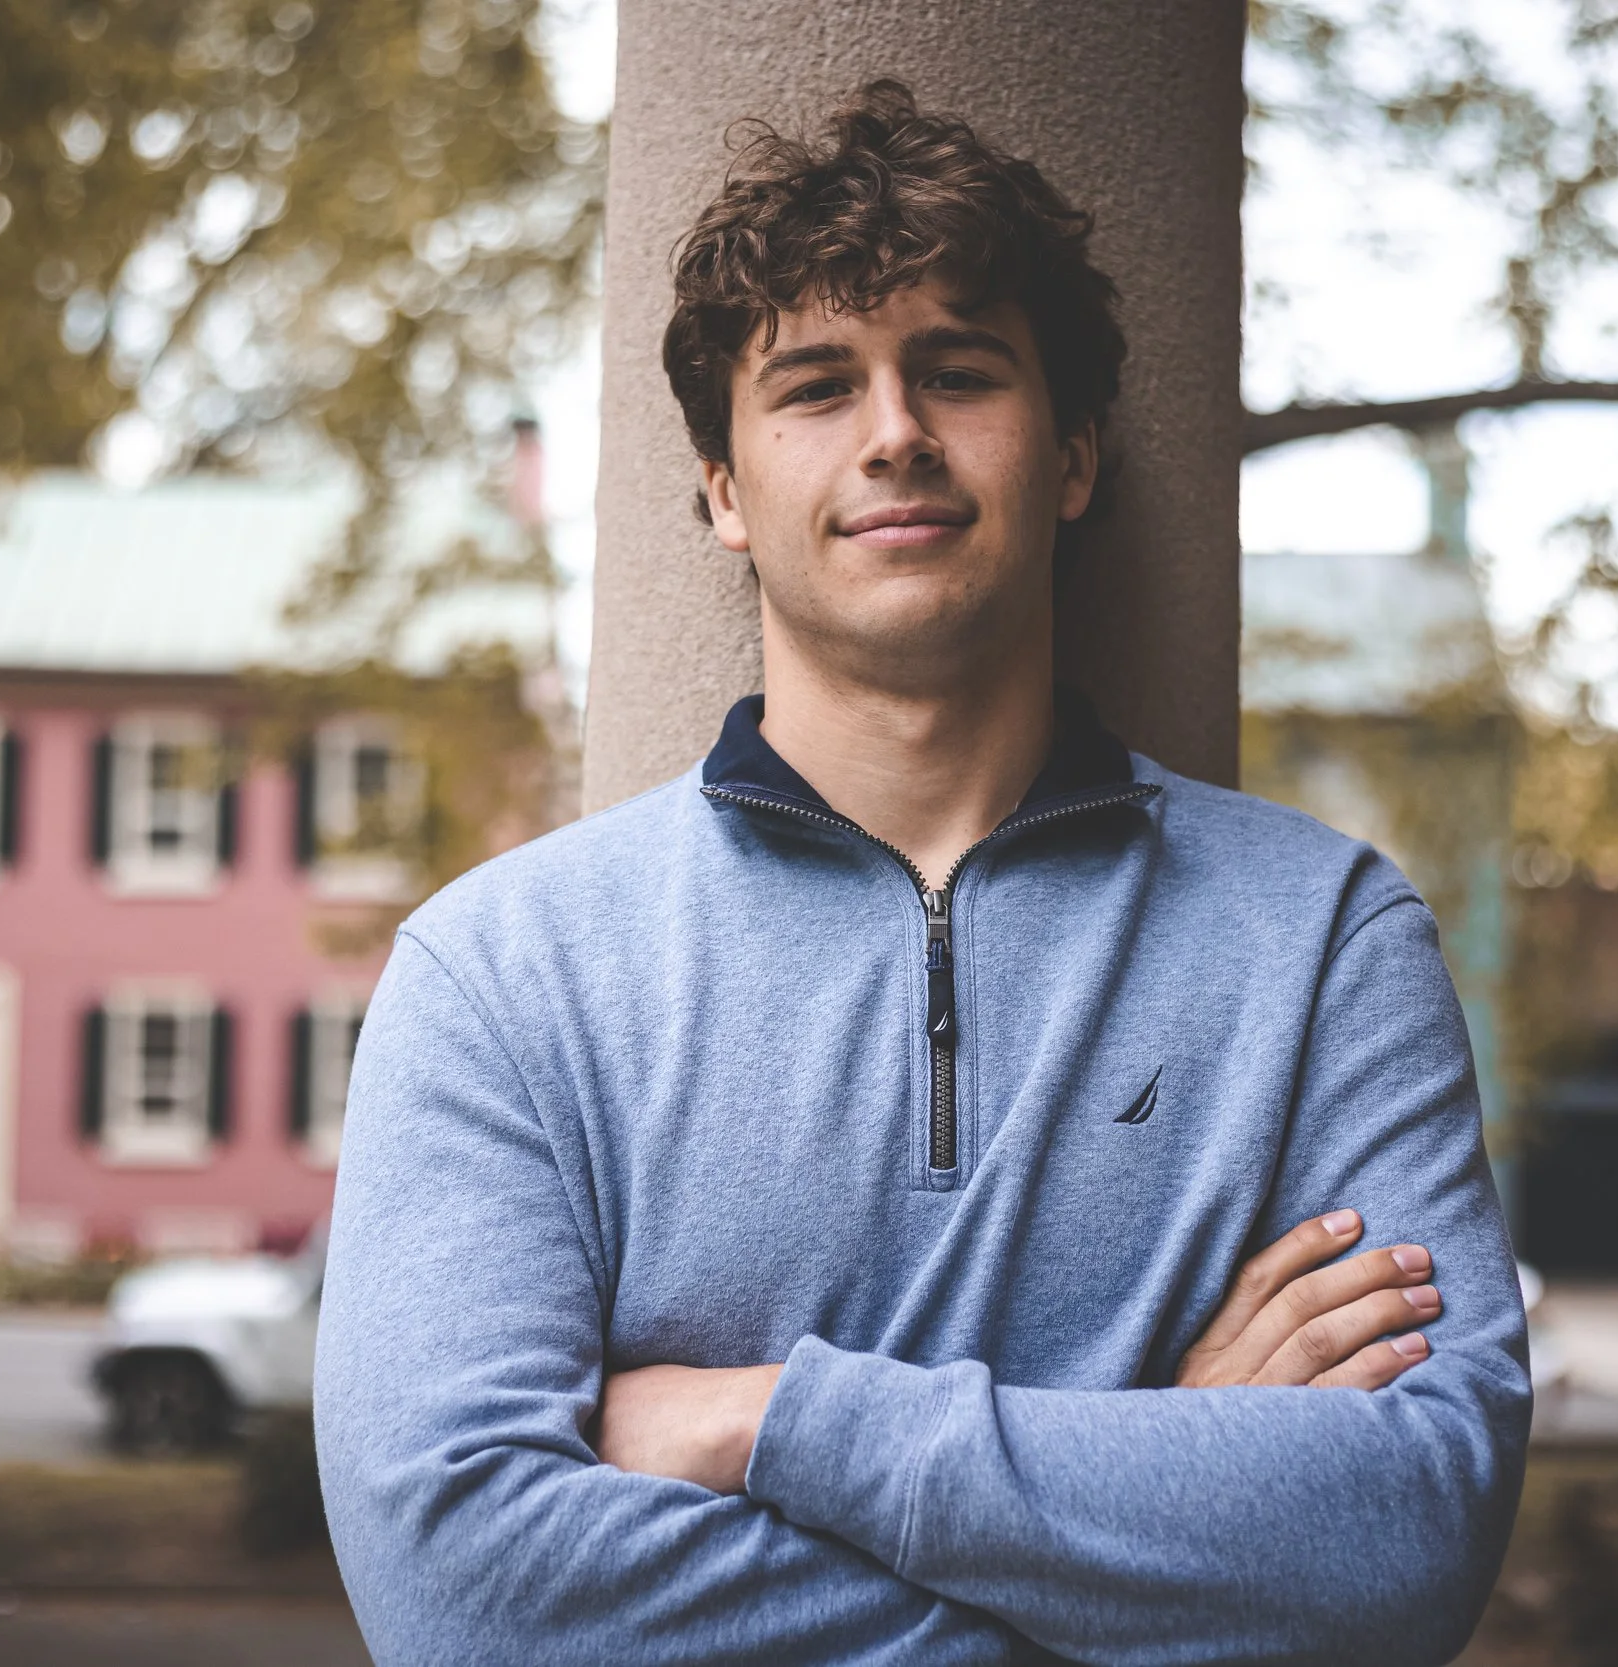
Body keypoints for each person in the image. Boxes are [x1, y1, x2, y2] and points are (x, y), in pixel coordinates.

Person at [316, 81, 1530, 1665]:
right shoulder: (505, 974)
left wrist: (771, 1422)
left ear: (1075, 453)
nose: (895, 430)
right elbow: (462, 1596)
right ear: (725, 492)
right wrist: (1159, 1490)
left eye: (958, 371)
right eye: (816, 385)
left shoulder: (1322, 941)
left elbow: (1413, 1530)